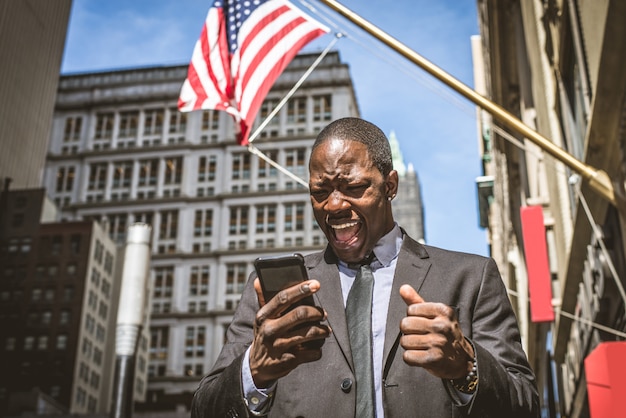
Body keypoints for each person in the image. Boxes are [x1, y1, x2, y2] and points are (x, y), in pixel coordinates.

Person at [191, 117, 540, 417]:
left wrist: (468, 368)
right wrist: (253, 373)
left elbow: (525, 404)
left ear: (390, 186)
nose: (335, 205)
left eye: (354, 187)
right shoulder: (274, 296)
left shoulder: (471, 278)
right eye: (320, 191)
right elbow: (205, 407)